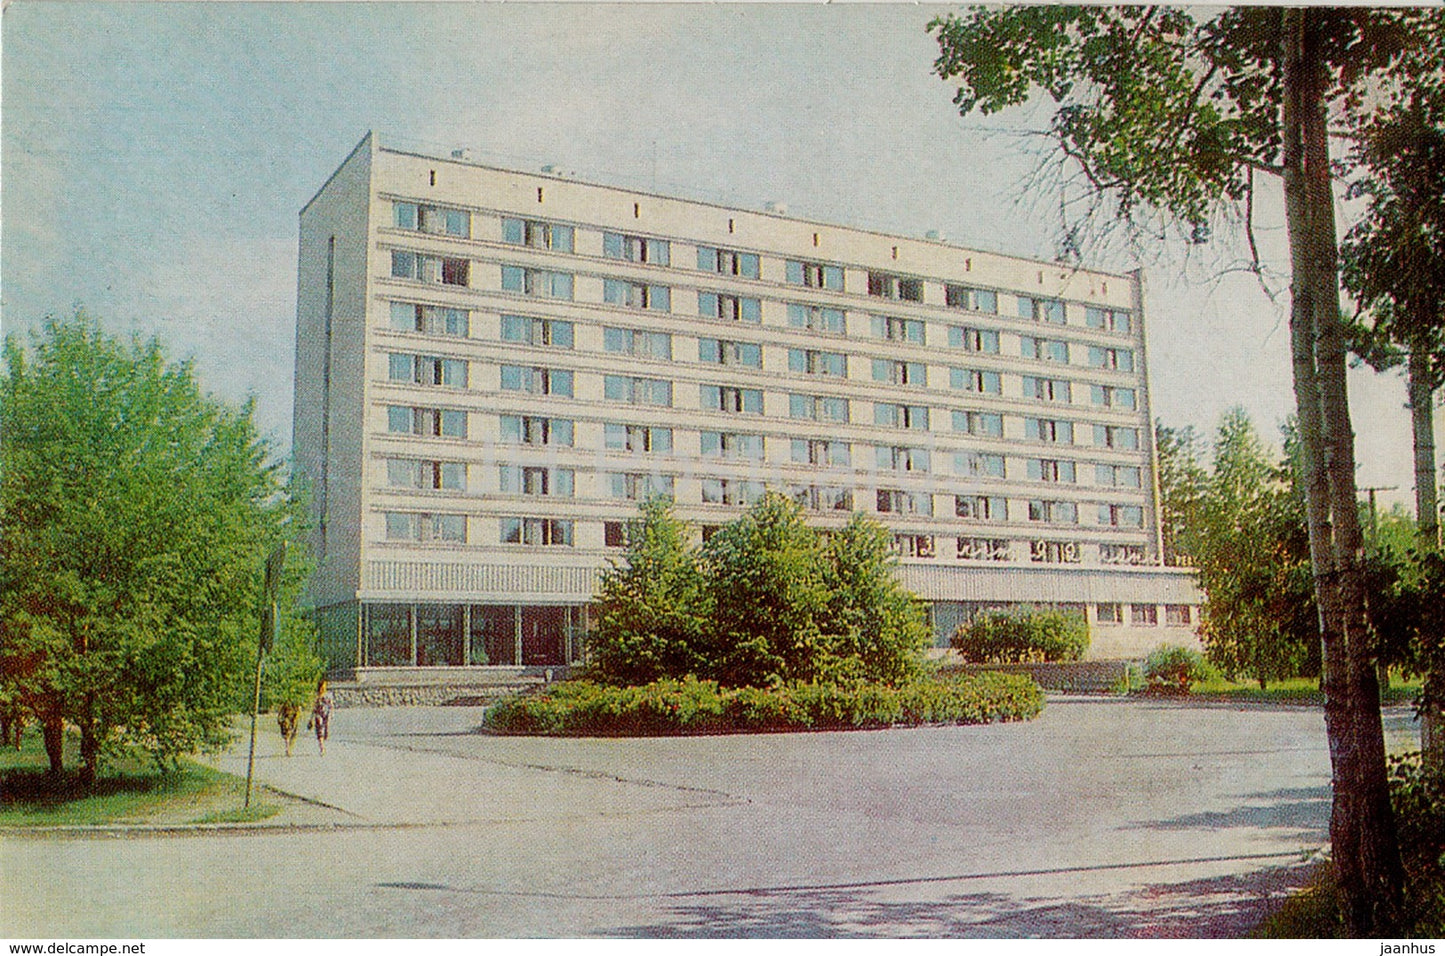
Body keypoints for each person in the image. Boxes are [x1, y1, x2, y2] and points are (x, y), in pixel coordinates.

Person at [308, 679, 334, 756]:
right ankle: (322, 748)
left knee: (326, 729)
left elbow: (331, 706)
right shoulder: (316, 696)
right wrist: (311, 718)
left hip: (326, 713)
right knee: (319, 730)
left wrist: (331, 714)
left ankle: (326, 731)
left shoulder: (328, 695)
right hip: (318, 714)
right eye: (322, 687)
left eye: (324, 686)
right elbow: (314, 708)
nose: (323, 688)